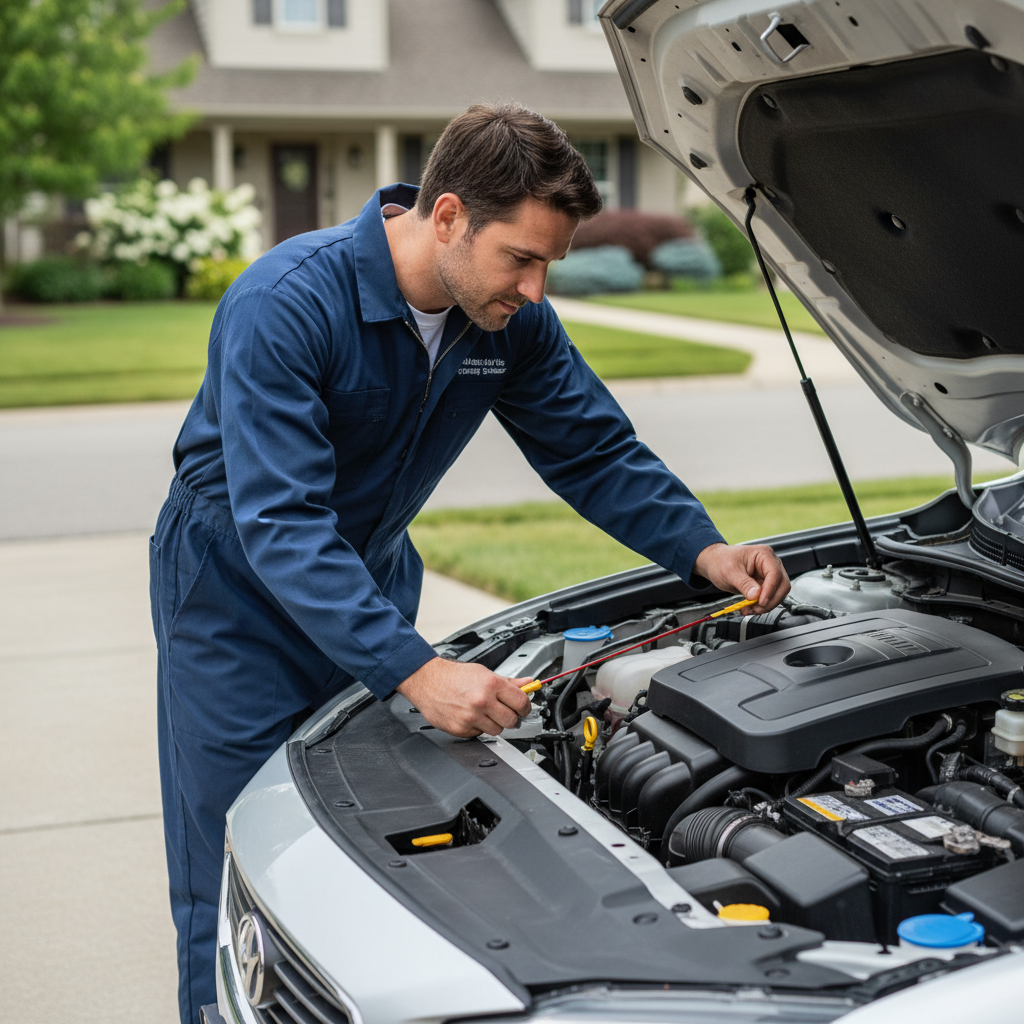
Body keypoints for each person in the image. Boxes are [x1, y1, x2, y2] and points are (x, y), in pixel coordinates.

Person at [150, 102, 790, 1024]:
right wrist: (415, 668)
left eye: (548, 265)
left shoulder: (505, 319)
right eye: (520, 258)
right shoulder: (286, 302)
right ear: (446, 216)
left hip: (367, 572)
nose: (534, 289)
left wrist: (705, 548)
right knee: (231, 857)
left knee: (366, 844)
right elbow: (281, 520)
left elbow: (595, 451)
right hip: (231, 595)